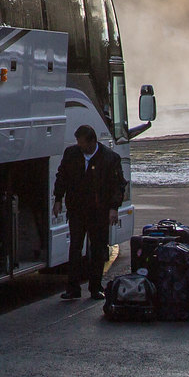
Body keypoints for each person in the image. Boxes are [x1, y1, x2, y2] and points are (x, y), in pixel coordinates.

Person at [53, 124, 124, 300]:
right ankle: (73, 289)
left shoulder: (110, 158)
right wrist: (58, 199)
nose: (80, 146)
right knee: (75, 248)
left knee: (99, 250)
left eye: (82, 143)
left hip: (98, 212)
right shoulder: (71, 154)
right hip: (77, 210)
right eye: (78, 142)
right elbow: (62, 176)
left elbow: (118, 185)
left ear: (92, 141)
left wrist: (114, 208)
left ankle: (95, 287)